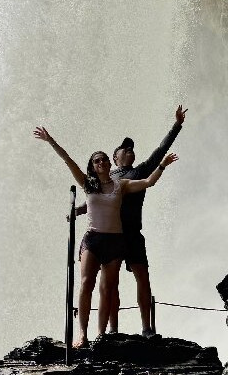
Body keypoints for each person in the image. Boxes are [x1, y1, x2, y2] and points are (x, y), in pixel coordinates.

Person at [33, 126, 178, 348]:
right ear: (101, 163)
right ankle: (92, 332)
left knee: (117, 285)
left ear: (109, 163)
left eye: (103, 161)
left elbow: (150, 178)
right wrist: (50, 140)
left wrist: (163, 163)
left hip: (121, 238)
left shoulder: (126, 180)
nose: (101, 163)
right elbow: (73, 168)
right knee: (92, 284)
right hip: (97, 238)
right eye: (97, 161)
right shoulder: (91, 183)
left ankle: (122, 332)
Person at [77, 105, 186, 337]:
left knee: (142, 276)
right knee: (110, 284)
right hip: (111, 235)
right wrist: (77, 210)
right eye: (124, 149)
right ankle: (111, 330)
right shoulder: (107, 178)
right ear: (114, 158)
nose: (130, 151)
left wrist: (177, 125)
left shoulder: (140, 171)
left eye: (132, 149)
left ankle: (147, 327)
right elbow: (96, 199)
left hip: (132, 233)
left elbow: (160, 150)